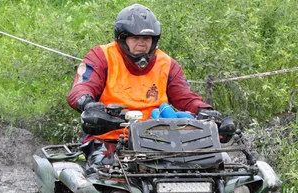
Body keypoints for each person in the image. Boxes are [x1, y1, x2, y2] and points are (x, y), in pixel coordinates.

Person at [67, 3, 221, 168]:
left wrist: (204, 110)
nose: (142, 44)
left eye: (146, 39)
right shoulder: (101, 56)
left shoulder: (167, 64)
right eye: (136, 38)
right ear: (122, 39)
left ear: (154, 40)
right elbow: (81, 88)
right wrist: (88, 104)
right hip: (108, 137)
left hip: (159, 139)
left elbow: (186, 97)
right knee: (106, 172)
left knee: (210, 166)